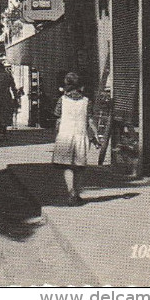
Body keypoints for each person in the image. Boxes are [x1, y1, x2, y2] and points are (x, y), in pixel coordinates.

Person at [51, 72, 99, 205]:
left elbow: (58, 118)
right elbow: (90, 120)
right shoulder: (87, 101)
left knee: (67, 166)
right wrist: (96, 136)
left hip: (65, 135)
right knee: (79, 167)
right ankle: (76, 194)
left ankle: (71, 192)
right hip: (80, 135)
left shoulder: (62, 100)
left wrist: (56, 134)